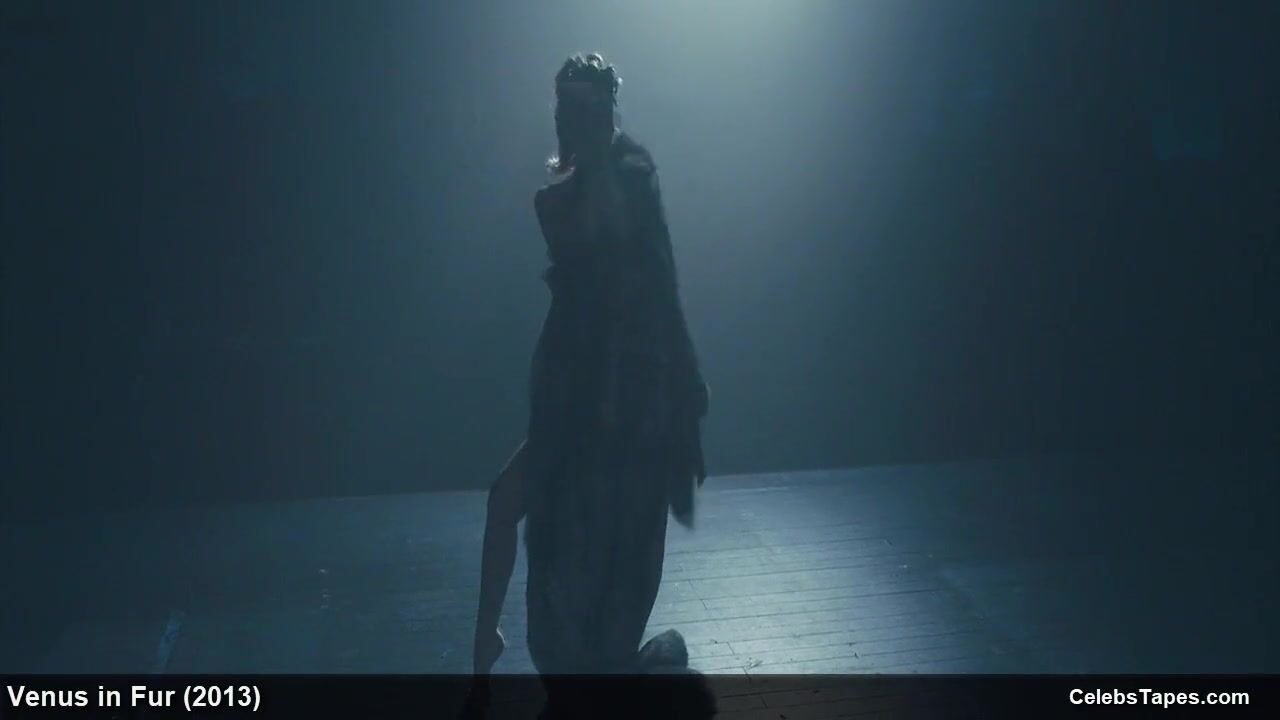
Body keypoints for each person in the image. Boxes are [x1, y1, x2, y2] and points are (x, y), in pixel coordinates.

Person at [467, 51, 711, 716]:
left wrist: (683, 400)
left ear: (607, 116)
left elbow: (660, 292)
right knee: (507, 501)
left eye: (592, 110)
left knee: (606, 595)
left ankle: (634, 661)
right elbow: (607, 267)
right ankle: (491, 640)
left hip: (622, 402)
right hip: (573, 393)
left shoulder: (630, 189)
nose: (579, 122)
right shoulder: (555, 202)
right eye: (569, 110)